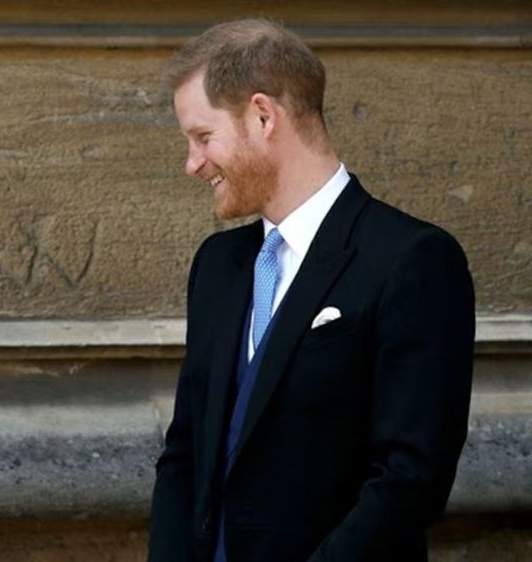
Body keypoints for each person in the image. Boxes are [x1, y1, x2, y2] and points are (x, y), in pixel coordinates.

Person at [148, 19, 474, 562]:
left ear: (262, 115)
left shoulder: (411, 260)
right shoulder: (219, 265)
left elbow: (409, 478)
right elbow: (185, 453)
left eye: (204, 137)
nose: (192, 164)